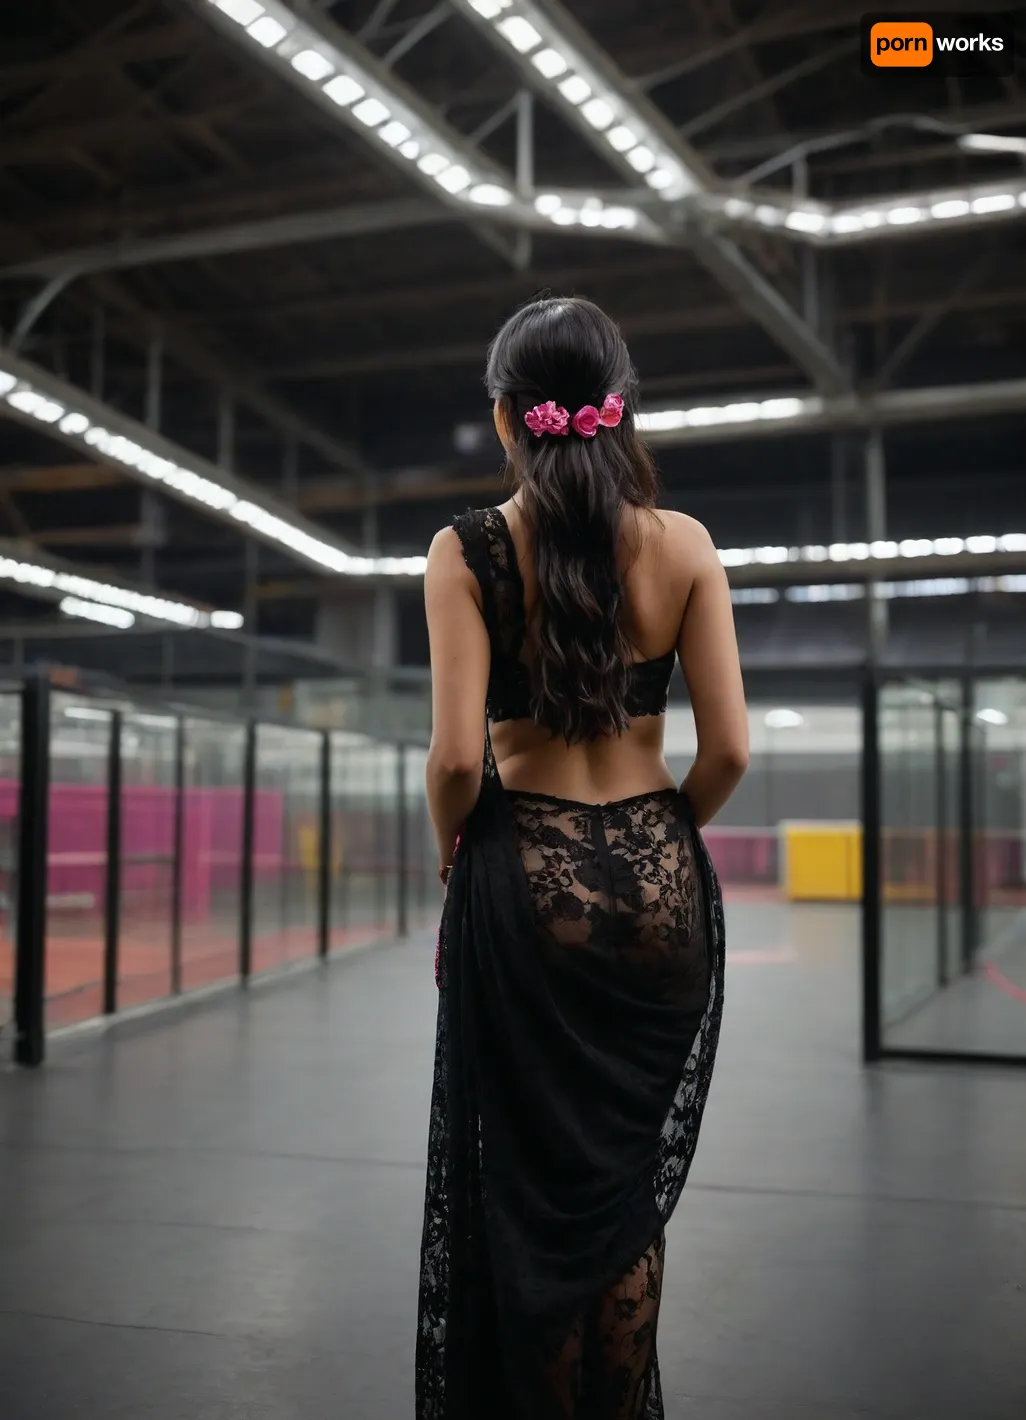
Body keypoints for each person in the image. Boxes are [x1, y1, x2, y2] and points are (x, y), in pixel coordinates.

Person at [416, 297, 749, 1419]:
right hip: (663, 883)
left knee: (527, 1196)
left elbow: (459, 763)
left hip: (529, 884)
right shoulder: (687, 545)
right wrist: (668, 837)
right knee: (620, 1204)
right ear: (619, 414)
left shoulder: (466, 552)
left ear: (508, 418)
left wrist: (453, 864)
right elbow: (733, 750)